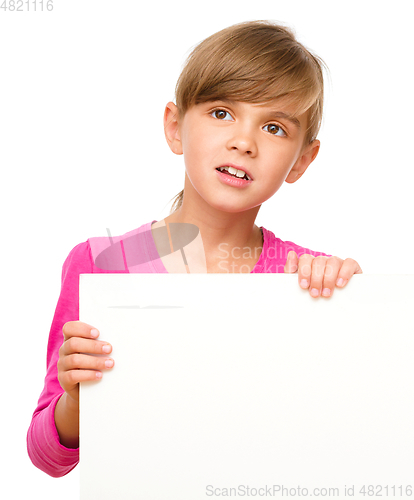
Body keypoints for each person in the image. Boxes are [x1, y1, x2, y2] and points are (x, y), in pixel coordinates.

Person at [27, 20, 362, 478]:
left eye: (273, 127)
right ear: (175, 126)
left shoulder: (309, 279)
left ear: (302, 160)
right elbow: (49, 458)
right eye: (222, 112)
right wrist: (78, 400)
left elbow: (344, 438)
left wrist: (356, 313)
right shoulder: (100, 265)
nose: (243, 142)